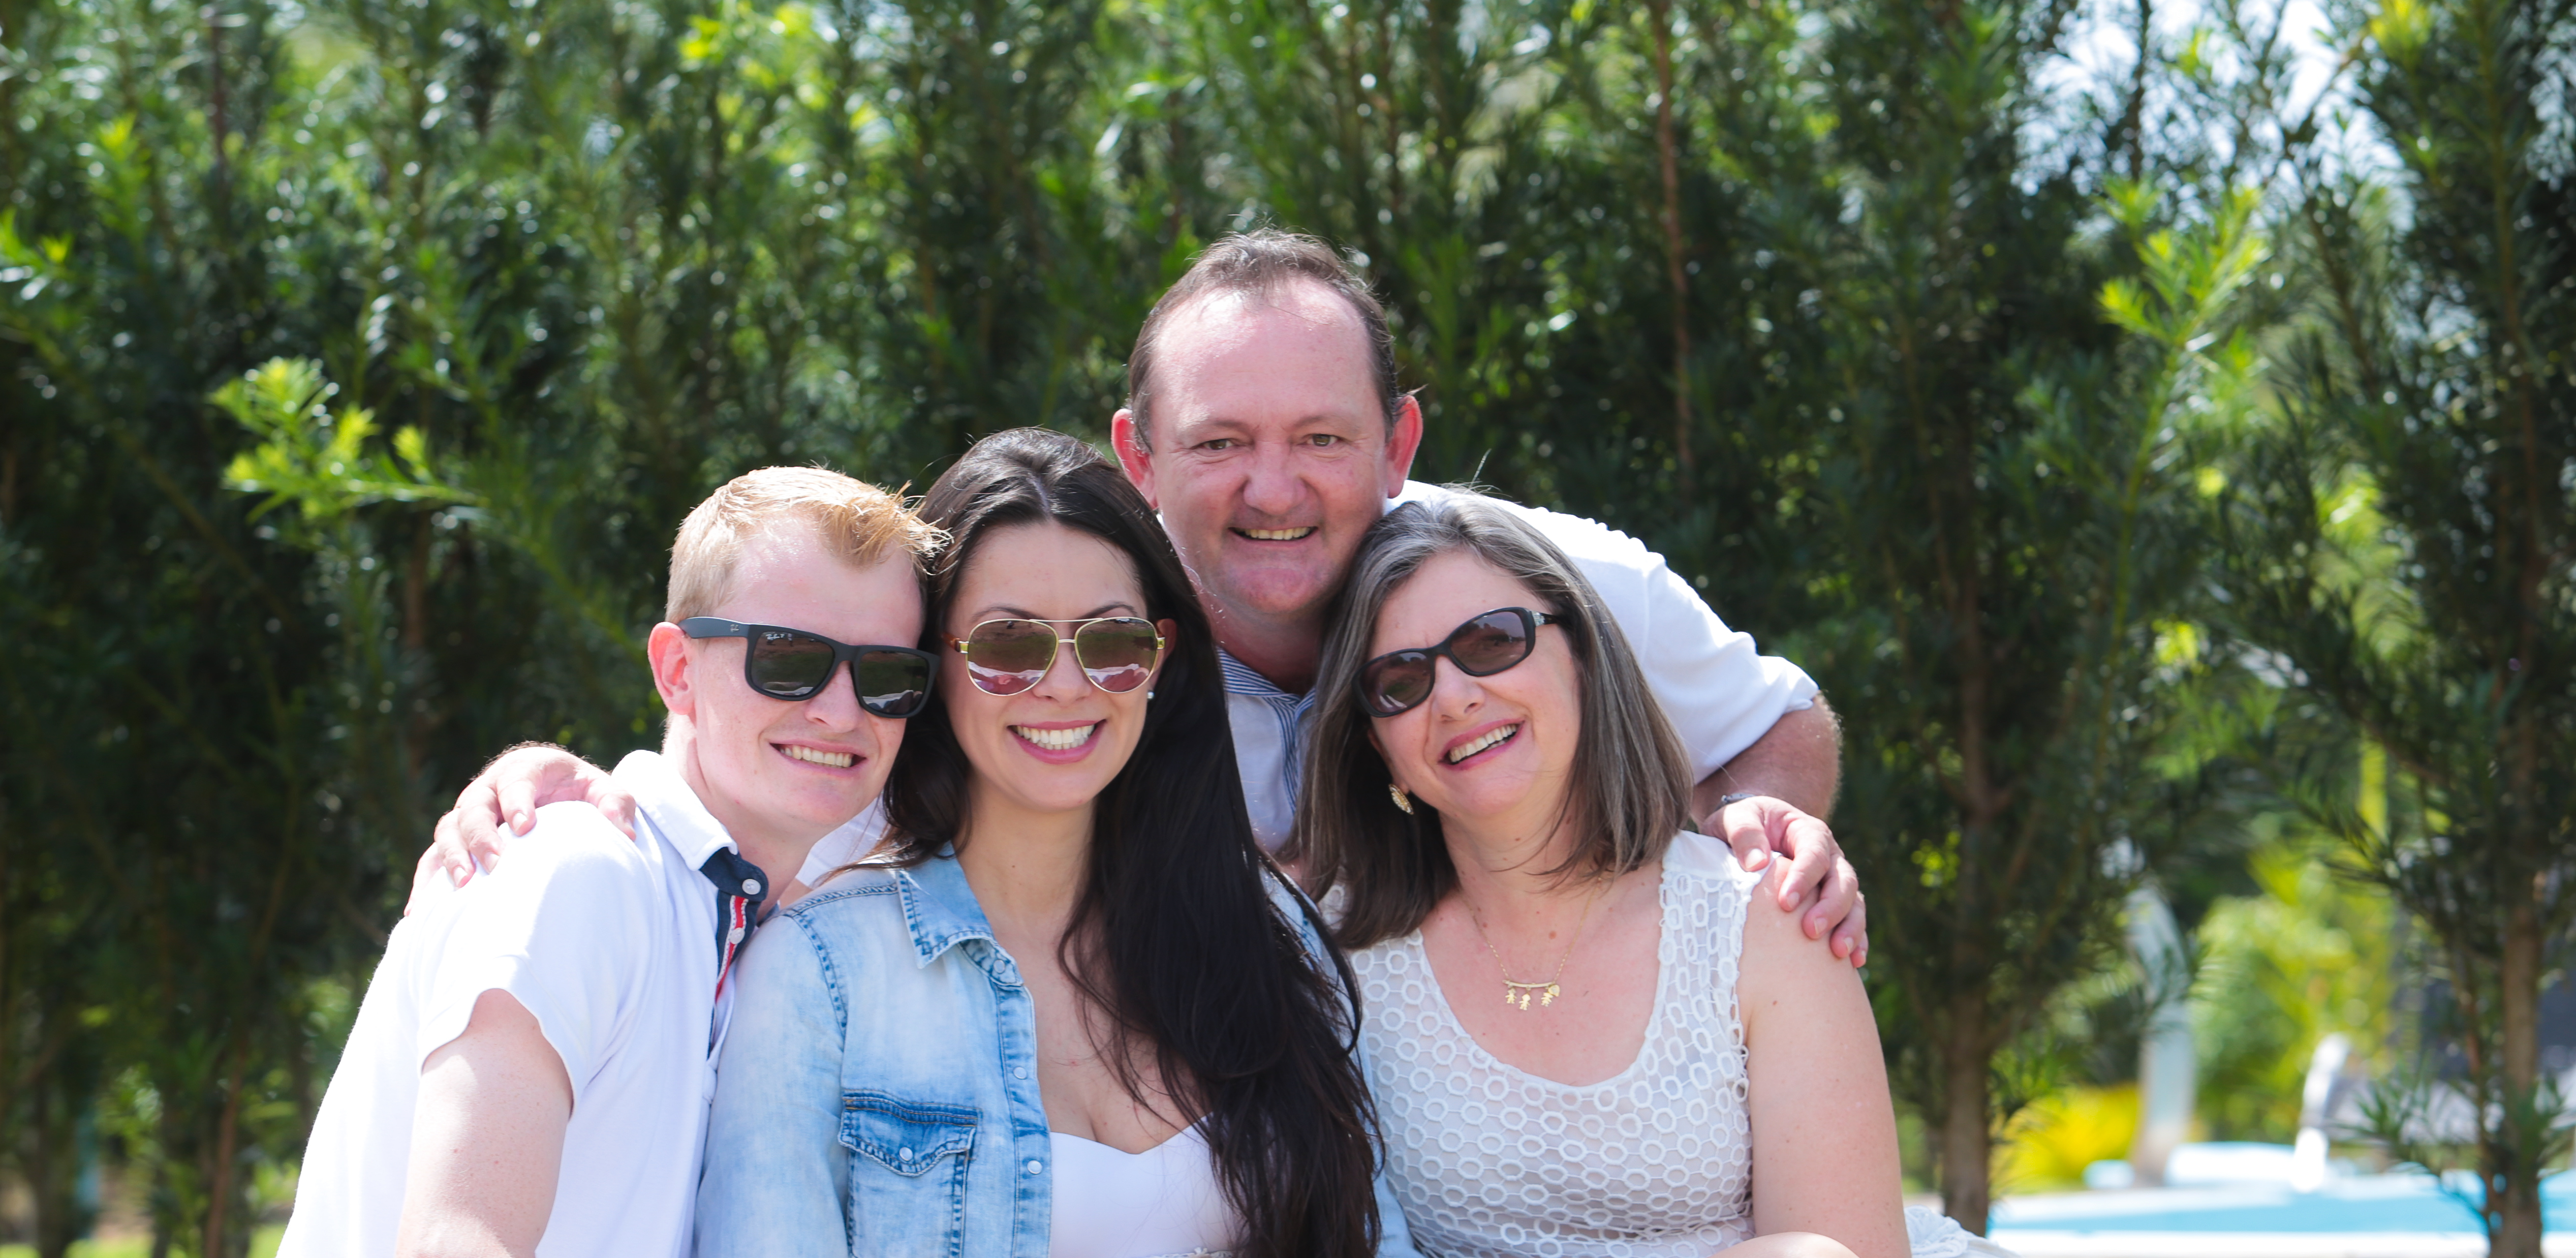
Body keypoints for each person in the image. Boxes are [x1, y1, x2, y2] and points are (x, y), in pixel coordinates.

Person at [697, 428, 1898, 1258]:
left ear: (1161, 665)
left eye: (1111, 643)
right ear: (938, 675)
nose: (1065, 685)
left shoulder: (1257, 928)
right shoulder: (823, 970)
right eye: (1007, 646)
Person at [1282, 492, 2576, 1258]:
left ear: (1579, 654)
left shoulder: (1750, 902)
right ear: (1374, 744)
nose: (1454, 696)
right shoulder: (1337, 956)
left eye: (1493, 645)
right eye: (1399, 683)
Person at [193, 469, 1091, 1258]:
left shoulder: (755, 907)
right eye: (786, 660)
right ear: (676, 669)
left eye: (885, 677)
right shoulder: (578, 875)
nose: (841, 709)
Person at [413, 232, 1869, 965]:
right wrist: (571, 777)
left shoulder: (1530, 592)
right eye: (1223, 444)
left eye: (1323, 441)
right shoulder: (1066, 633)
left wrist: (1755, 836)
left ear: (1402, 444)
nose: (1275, 491)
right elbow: (802, 705)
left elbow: (1780, 717)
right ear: (1139, 456)